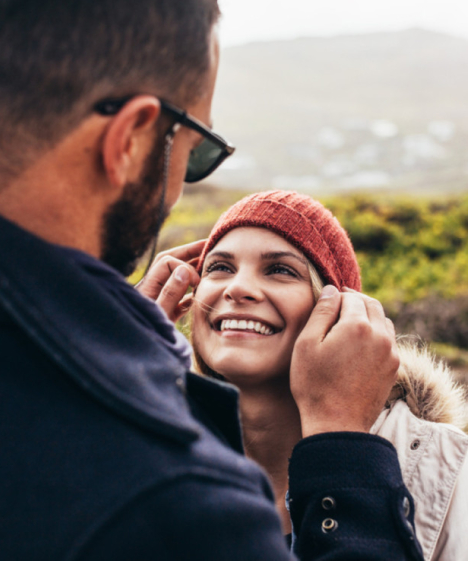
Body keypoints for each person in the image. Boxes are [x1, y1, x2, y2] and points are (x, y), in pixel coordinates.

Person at [0, 0, 423, 559]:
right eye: (195, 152)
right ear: (128, 139)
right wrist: (343, 451)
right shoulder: (180, 502)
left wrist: (116, 350)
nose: (180, 192)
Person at [147, 190, 468, 560]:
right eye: (219, 267)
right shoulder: (155, 456)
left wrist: (339, 438)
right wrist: (120, 370)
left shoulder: (446, 469)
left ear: (339, 313)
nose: (237, 288)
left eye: (280, 270)